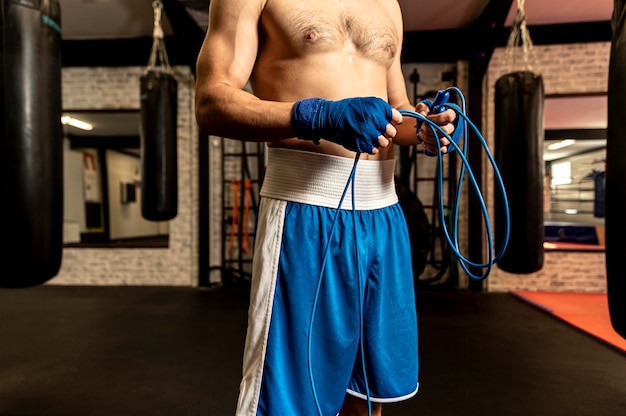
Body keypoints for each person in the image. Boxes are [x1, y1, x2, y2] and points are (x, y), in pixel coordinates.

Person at [195, 1, 456, 415]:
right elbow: (211, 103)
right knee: (289, 403)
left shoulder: (388, 4)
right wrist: (317, 115)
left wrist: (422, 126)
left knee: (368, 394)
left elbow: (396, 108)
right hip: (306, 212)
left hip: (384, 215)